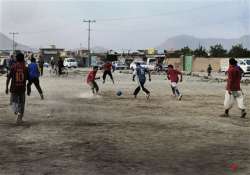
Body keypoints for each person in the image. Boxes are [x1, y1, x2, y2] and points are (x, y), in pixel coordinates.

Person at [5, 53, 28, 124]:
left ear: (16, 59)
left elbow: (8, 77)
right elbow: (27, 78)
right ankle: (20, 118)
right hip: (22, 88)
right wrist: (28, 86)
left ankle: (17, 112)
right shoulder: (25, 67)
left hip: (14, 88)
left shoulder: (13, 67)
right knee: (22, 103)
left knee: (13, 102)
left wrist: (6, 87)